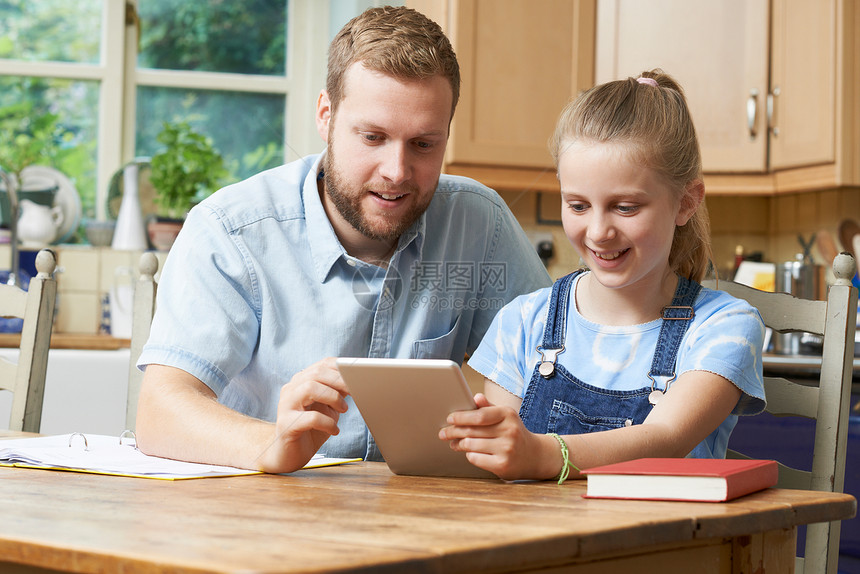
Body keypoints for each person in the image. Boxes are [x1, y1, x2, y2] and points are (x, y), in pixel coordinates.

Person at [134, 6, 550, 473]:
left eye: (424, 144)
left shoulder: (481, 222)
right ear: (326, 116)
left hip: (425, 516)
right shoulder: (230, 230)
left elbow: (557, 370)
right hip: (261, 511)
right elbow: (161, 413)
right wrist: (271, 443)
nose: (396, 171)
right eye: (373, 137)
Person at [440, 70, 766, 483]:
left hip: (671, 546)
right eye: (577, 206)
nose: (598, 232)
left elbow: (665, 439)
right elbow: (504, 466)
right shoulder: (523, 321)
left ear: (685, 203)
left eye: (625, 207)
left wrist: (541, 453)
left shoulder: (725, 327)